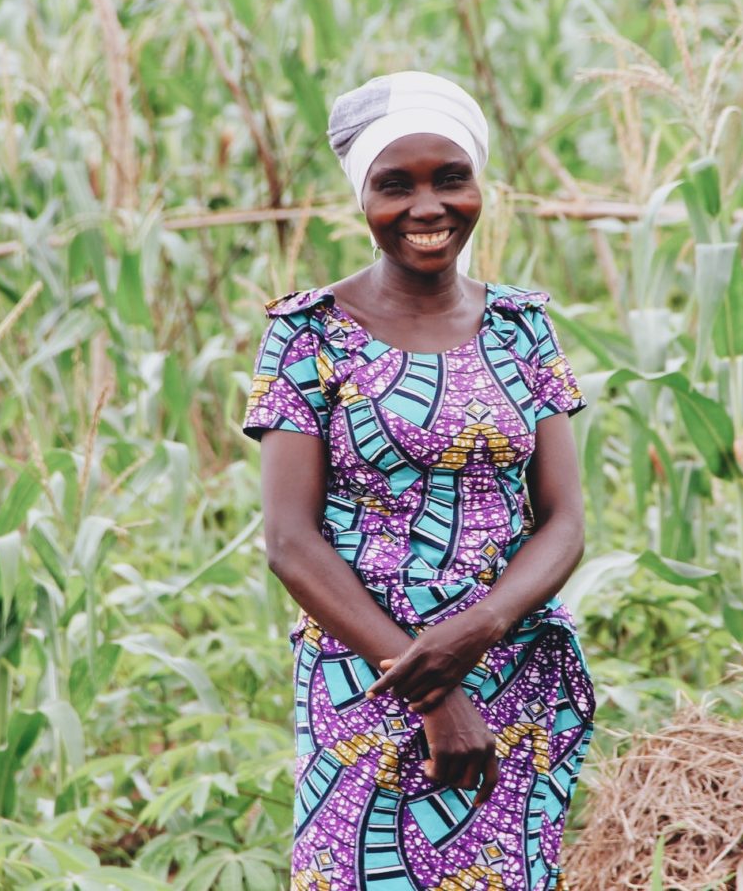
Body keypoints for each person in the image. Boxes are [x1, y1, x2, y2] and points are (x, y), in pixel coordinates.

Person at [241, 71, 596, 890]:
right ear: (360, 199)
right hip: (368, 675)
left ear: (480, 185)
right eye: (394, 185)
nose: (428, 208)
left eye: (451, 178)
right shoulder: (308, 336)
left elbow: (564, 521)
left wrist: (478, 631)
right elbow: (290, 542)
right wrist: (432, 690)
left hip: (513, 665)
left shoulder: (521, 326)